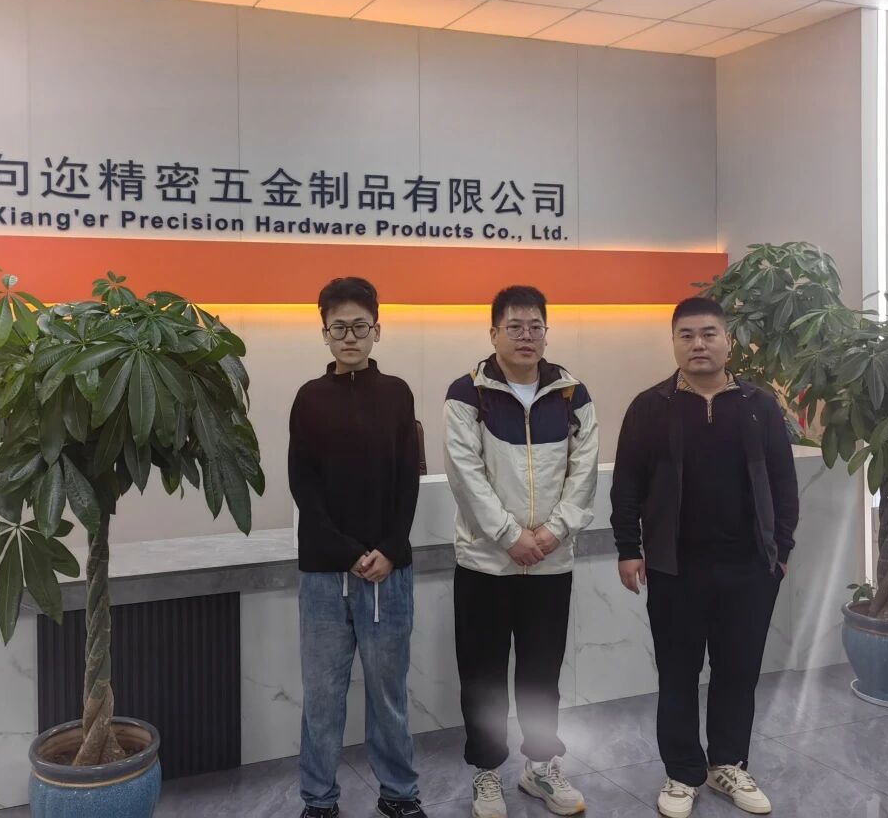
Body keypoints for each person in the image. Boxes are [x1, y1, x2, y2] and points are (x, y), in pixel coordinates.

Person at [610, 296, 798, 818]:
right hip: (674, 567)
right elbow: (627, 485)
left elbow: (783, 482)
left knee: (738, 672)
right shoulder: (650, 406)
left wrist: (781, 550)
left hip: (750, 567)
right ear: (674, 343)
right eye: (687, 335)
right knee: (677, 674)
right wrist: (628, 548)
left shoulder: (760, 405)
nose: (698, 344)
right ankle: (682, 773)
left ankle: (728, 764)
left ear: (728, 341)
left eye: (709, 333)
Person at [444, 285, 599, 818]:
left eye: (535, 326)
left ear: (546, 333)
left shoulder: (571, 394)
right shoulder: (467, 393)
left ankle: (540, 767)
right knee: (482, 676)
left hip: (551, 564)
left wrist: (554, 533)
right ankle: (487, 773)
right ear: (494, 333)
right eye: (514, 326)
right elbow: (465, 475)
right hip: (485, 564)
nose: (526, 336)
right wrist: (510, 536)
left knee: (541, 674)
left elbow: (584, 473)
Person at [289, 277, 425, 818]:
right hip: (325, 575)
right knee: (322, 697)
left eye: (359, 326)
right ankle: (319, 799)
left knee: (389, 695)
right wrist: (348, 552)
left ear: (377, 330)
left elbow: (408, 481)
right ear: (324, 333)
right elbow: (304, 486)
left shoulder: (397, 393)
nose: (350, 336)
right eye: (339, 327)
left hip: (389, 573)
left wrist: (389, 549)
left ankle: (399, 794)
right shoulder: (309, 398)